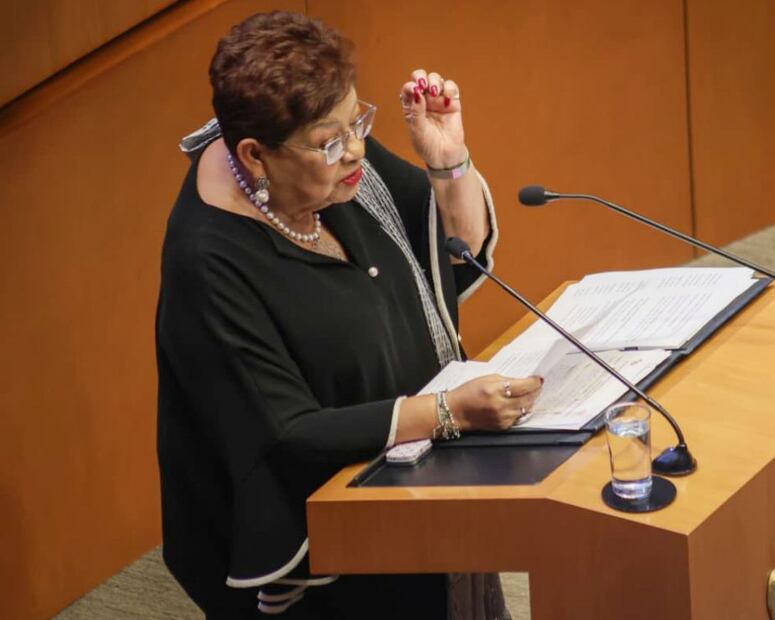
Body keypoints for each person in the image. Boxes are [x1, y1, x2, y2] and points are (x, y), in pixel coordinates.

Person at [156, 11, 542, 618]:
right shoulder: (208, 262)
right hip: (324, 539)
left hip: (417, 476)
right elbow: (285, 432)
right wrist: (447, 412)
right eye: (330, 141)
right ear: (255, 157)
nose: (354, 148)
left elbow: (455, 255)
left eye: (357, 121)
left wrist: (449, 161)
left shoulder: (334, 164)